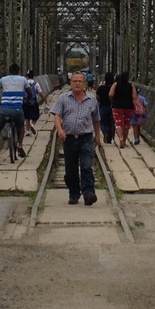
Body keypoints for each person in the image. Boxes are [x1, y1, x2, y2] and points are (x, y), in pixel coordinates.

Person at [51, 69, 101, 206]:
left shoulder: (92, 100)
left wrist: (97, 136)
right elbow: (57, 115)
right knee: (71, 170)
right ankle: (74, 193)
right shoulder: (63, 98)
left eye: (80, 81)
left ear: (85, 83)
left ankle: (89, 193)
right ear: (70, 82)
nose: (77, 83)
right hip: (69, 138)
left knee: (86, 166)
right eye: (74, 81)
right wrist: (60, 129)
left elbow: (96, 119)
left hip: (86, 137)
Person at [0, 63, 31, 159]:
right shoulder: (23, 79)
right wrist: (26, 101)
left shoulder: (3, 79)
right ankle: (20, 145)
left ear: (9, 71)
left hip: (5, 109)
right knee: (21, 126)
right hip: (18, 109)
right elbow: (29, 93)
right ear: (18, 71)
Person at [106, 70, 136, 150]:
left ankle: (120, 139)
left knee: (118, 123)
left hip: (117, 106)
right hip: (129, 107)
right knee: (126, 124)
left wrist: (112, 100)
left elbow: (110, 94)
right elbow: (134, 97)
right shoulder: (131, 85)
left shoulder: (116, 84)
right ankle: (125, 141)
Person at [22, 69, 41, 143]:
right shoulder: (36, 84)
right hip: (33, 102)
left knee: (27, 117)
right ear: (33, 76)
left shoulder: (24, 83)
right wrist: (45, 100)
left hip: (26, 102)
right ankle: (32, 126)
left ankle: (27, 131)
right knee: (36, 116)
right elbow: (40, 92)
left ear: (27, 76)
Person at [97, 71, 116, 143]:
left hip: (103, 107)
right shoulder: (114, 88)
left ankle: (105, 132)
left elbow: (97, 98)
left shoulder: (101, 88)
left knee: (103, 122)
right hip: (113, 107)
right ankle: (110, 138)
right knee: (111, 123)